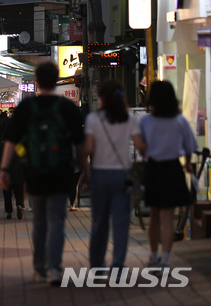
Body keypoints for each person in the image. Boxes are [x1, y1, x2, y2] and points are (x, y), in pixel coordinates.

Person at [0, 62, 87, 286]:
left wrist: (5, 169)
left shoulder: (27, 108)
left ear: (37, 81)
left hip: (34, 173)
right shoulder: (68, 108)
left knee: (39, 222)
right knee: (57, 221)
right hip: (61, 172)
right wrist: (83, 169)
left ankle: (39, 269)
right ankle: (55, 269)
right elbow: (81, 143)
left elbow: (11, 141)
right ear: (57, 80)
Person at [84, 79, 146, 274]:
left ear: (102, 98)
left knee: (99, 222)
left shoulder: (93, 119)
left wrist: (85, 173)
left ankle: (97, 264)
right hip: (122, 176)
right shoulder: (130, 118)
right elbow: (140, 146)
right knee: (121, 222)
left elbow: (88, 149)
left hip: (100, 175)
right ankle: (118, 264)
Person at [140, 80, 196, 269]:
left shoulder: (146, 121)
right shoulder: (180, 120)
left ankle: (153, 256)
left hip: (154, 169)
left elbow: (142, 149)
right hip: (173, 169)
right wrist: (187, 164)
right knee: (167, 217)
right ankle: (165, 259)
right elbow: (190, 147)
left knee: (154, 217)